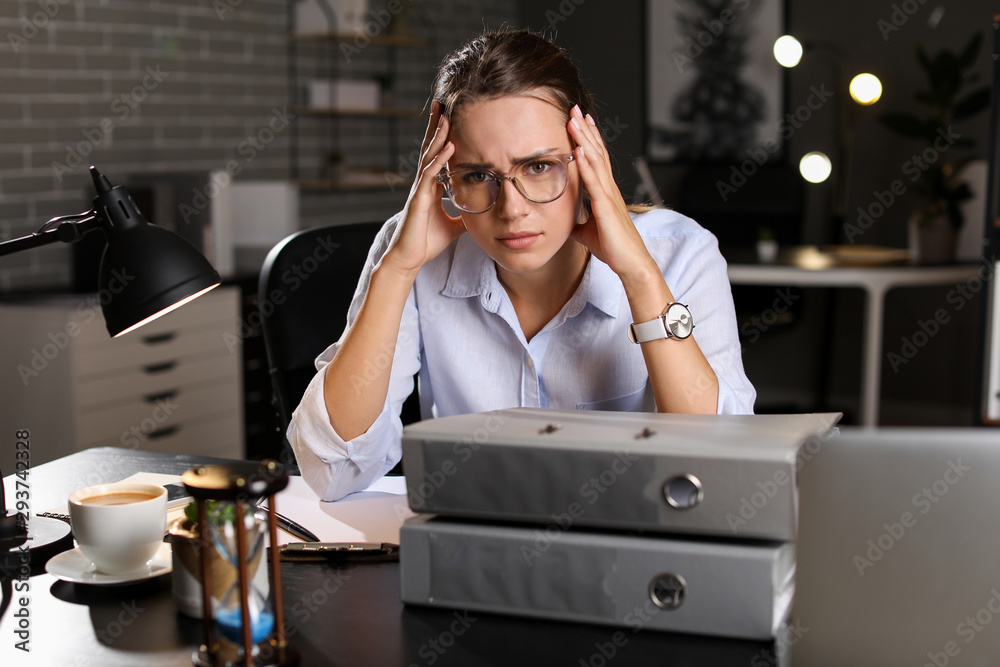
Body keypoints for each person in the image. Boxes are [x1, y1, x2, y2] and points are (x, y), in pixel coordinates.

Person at [289, 28, 756, 501]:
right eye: (477, 176)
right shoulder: (410, 253)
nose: (511, 208)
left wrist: (639, 275)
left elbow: (722, 476)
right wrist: (396, 271)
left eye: (538, 166)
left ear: (587, 155)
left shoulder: (680, 252)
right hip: (473, 553)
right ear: (444, 177)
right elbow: (332, 471)